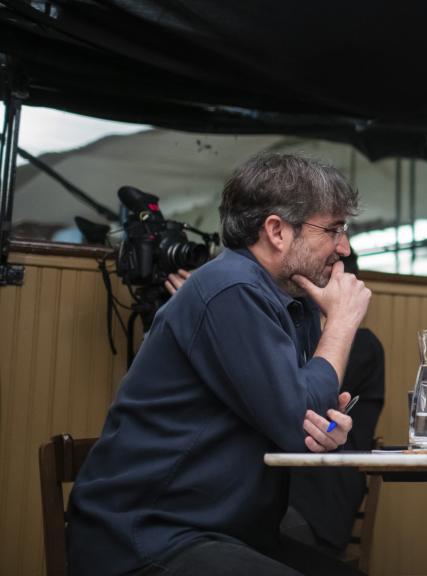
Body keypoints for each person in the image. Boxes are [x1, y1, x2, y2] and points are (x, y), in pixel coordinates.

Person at [68, 152, 371, 576]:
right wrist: (340, 322)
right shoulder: (230, 289)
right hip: (146, 536)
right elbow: (294, 420)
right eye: (334, 229)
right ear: (277, 231)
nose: (345, 247)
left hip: (222, 533)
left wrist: (330, 428)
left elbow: (307, 422)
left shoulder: (288, 303)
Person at [166, 250, 386, 561]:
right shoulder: (281, 330)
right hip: (264, 493)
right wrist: (212, 314)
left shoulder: (361, 345)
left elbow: (304, 406)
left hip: (316, 500)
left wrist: (339, 321)